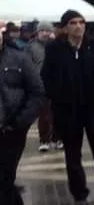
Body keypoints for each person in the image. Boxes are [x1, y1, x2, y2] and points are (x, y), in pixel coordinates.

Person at [42, 10, 94, 205]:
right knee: (73, 155)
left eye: (81, 22)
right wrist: (58, 97)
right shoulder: (55, 50)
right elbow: (47, 77)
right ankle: (79, 194)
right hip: (68, 111)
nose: (78, 26)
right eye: (73, 23)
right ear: (65, 27)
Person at [0, 23, 45, 205]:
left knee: (3, 179)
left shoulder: (19, 59)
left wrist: (21, 122)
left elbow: (37, 92)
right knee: (4, 183)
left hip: (10, 131)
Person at [25, 24, 57, 152]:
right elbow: (28, 65)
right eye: (42, 30)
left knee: (57, 113)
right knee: (44, 114)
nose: (45, 33)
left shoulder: (56, 46)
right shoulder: (31, 46)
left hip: (56, 83)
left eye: (48, 30)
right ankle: (44, 139)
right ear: (38, 32)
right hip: (39, 84)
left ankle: (57, 138)